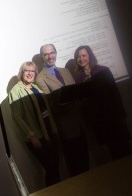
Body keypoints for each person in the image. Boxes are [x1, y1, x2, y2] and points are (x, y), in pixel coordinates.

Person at [35, 44, 89, 177]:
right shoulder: (40, 78)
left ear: (56, 53)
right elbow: (50, 105)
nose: (50, 56)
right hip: (66, 127)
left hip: (81, 122)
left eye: (52, 53)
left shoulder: (65, 71)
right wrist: (70, 101)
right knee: (76, 167)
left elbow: (76, 92)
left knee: (86, 161)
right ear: (42, 57)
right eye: (46, 54)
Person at [74, 45, 131, 160]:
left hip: (113, 116)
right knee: (111, 153)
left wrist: (121, 114)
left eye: (84, 55)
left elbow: (114, 93)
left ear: (90, 56)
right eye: (78, 57)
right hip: (98, 121)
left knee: (124, 149)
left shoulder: (103, 70)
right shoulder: (78, 78)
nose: (81, 59)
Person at [8, 61, 60, 187]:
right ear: (21, 73)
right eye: (27, 71)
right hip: (36, 136)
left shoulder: (36, 87)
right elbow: (17, 117)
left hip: (48, 131)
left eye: (32, 71)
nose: (30, 73)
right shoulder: (15, 91)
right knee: (51, 167)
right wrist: (32, 136)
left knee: (55, 166)